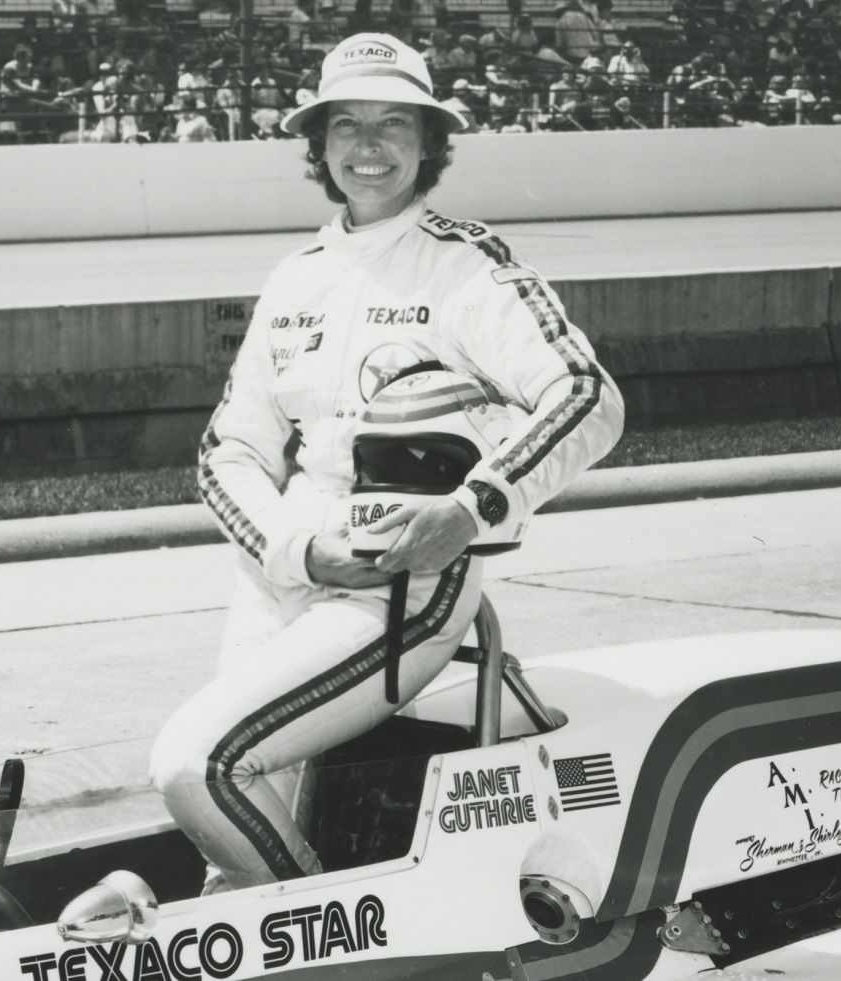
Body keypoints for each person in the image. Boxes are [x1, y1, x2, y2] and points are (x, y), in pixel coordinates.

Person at [149, 32, 624, 893]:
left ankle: (335, 938)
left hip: (401, 581)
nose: (369, 147)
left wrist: (473, 507)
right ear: (321, 146)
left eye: (393, 124)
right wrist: (294, 551)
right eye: (348, 125)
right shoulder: (296, 277)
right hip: (284, 570)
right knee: (234, 825)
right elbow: (230, 451)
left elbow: (587, 396)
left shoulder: (468, 265)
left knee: (196, 764)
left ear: (429, 143)